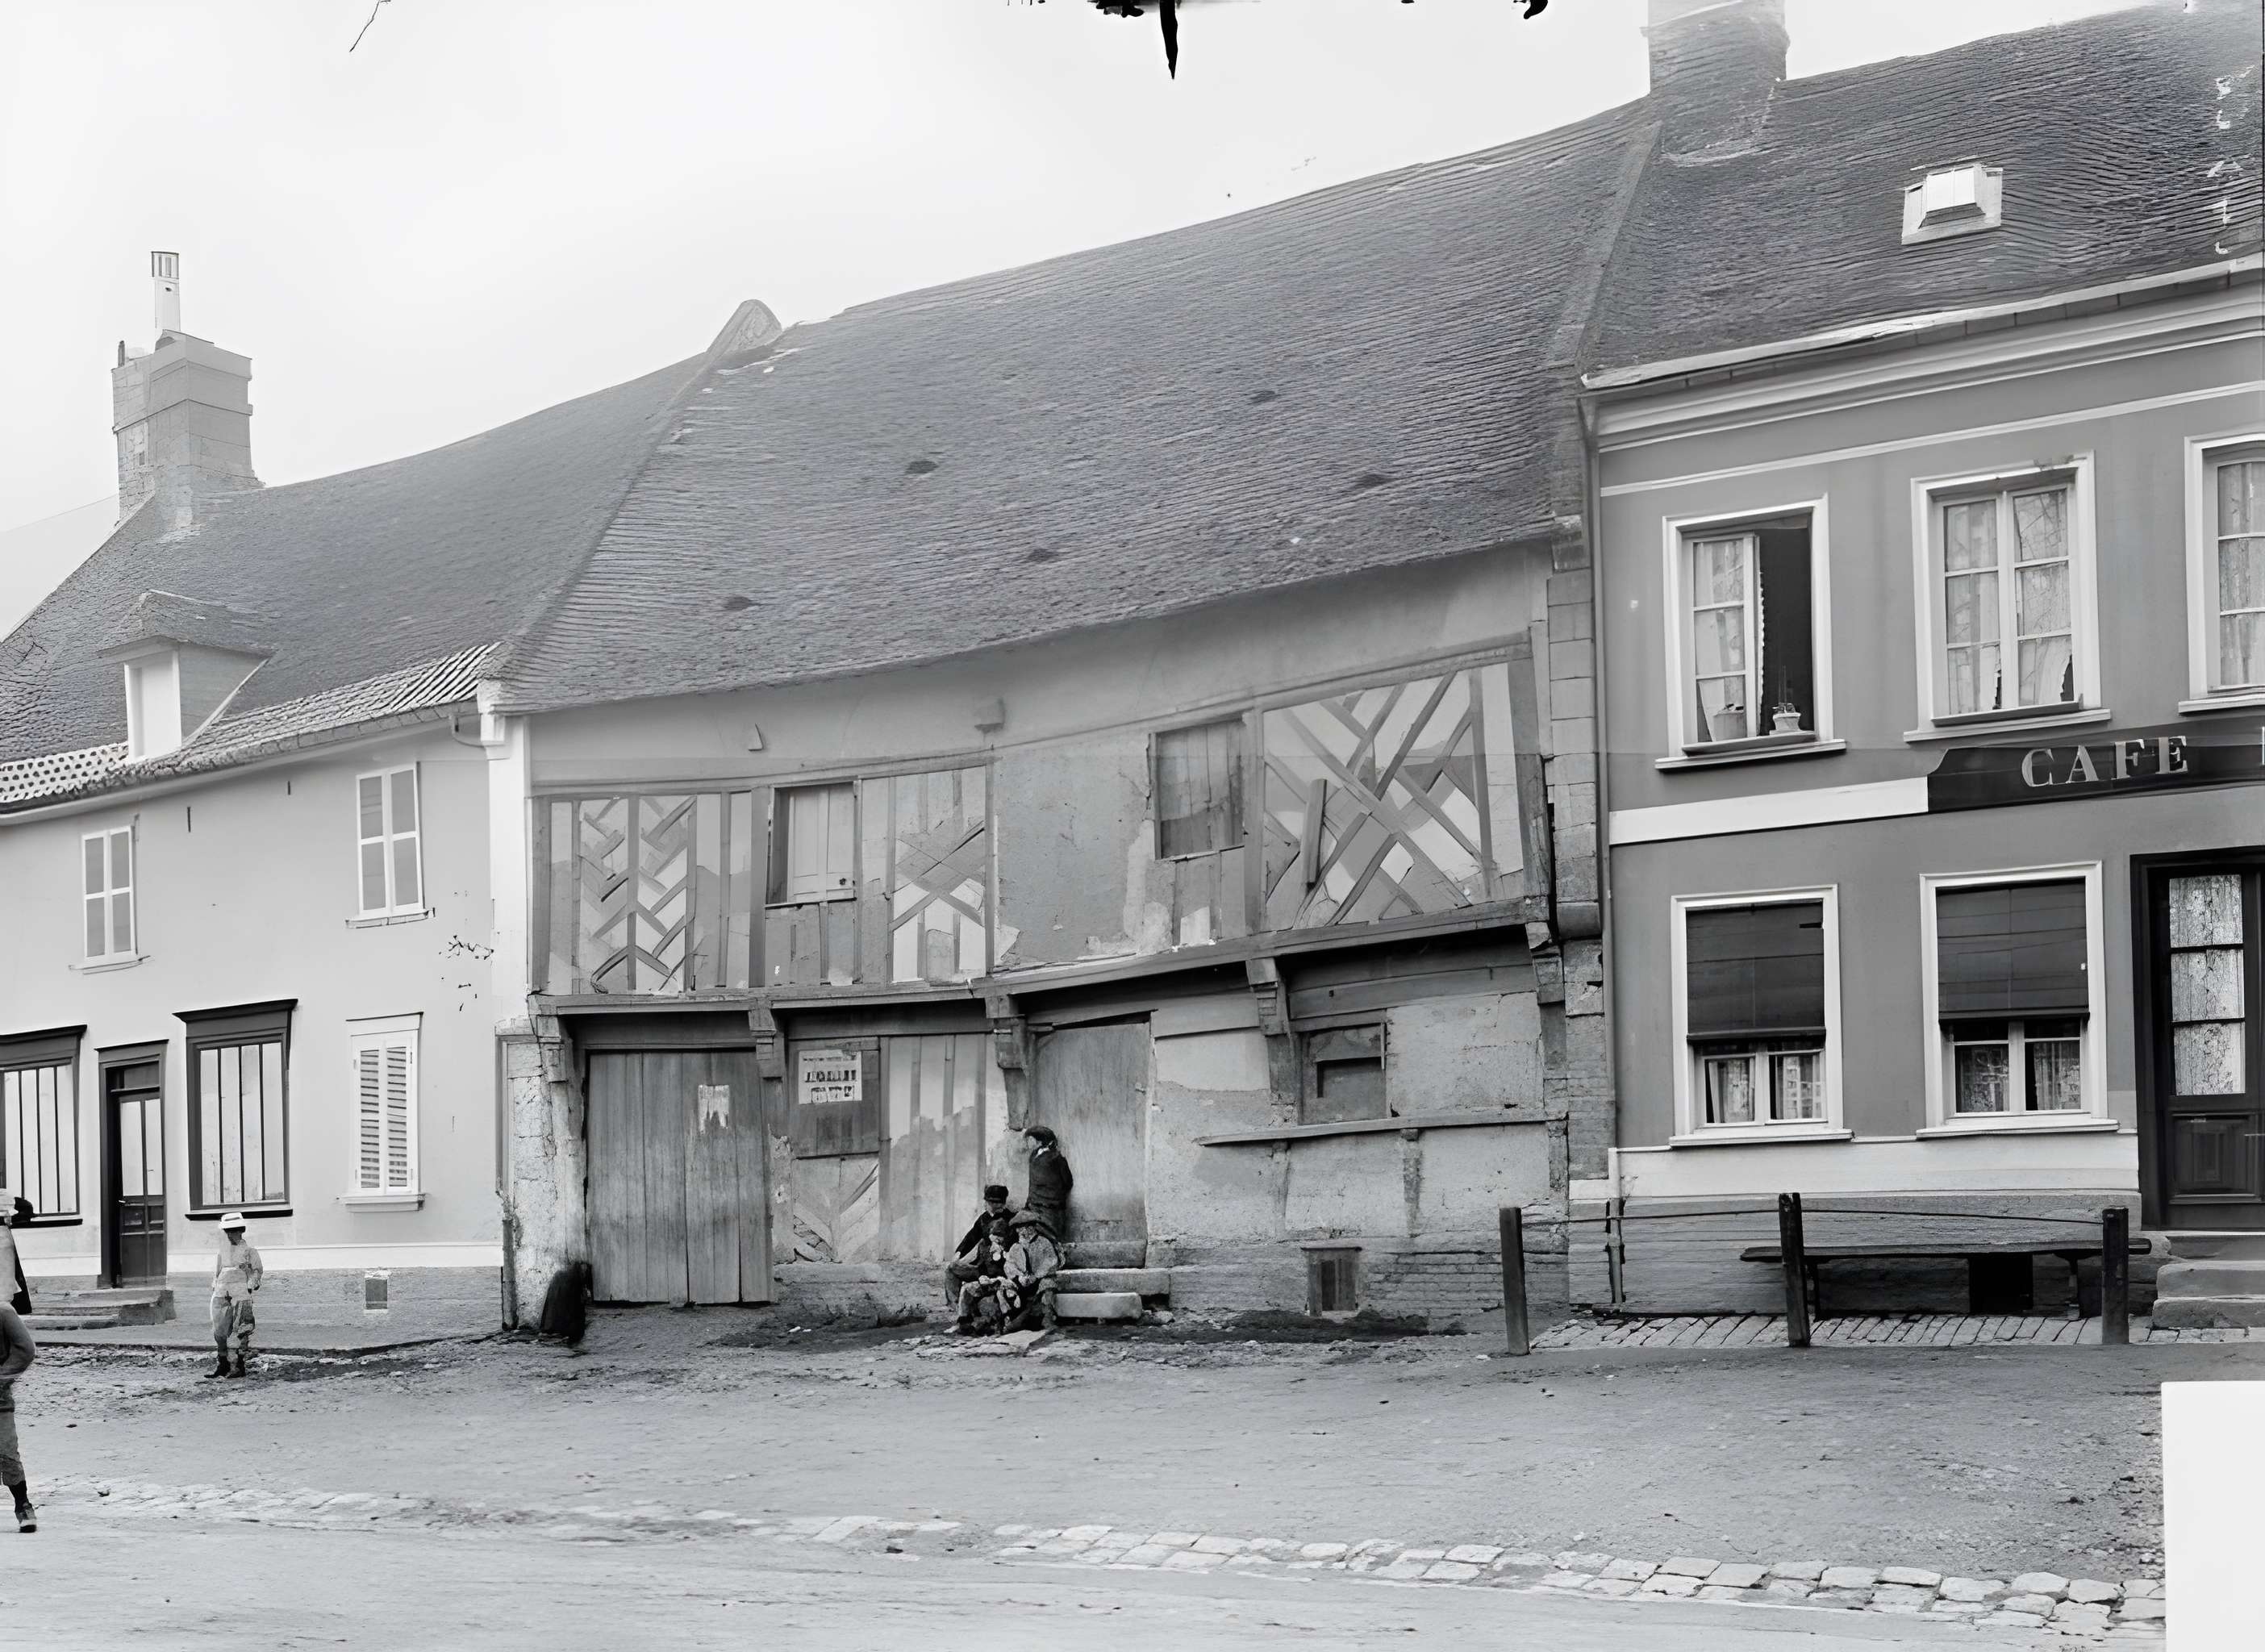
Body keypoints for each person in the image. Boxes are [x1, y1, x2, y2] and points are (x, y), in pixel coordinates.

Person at [208, 1212, 263, 1379]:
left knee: (240, 1329)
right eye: (227, 1231)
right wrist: (215, 1286)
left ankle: (238, 1366)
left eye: (232, 1231)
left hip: (240, 1293)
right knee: (219, 1329)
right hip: (221, 1292)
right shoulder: (222, 1252)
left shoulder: (250, 1251)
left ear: (240, 1231)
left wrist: (250, 1286)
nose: (229, 1235)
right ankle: (222, 1364)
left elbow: (256, 1272)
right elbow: (217, 1272)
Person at [944, 1184, 1015, 1307]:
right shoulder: (984, 1218)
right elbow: (971, 1238)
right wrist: (959, 1253)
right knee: (951, 1268)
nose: (992, 1205)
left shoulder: (1010, 1219)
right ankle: (954, 1305)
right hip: (982, 1268)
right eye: (990, 1202)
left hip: (1000, 1270)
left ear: (1001, 1203)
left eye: (997, 1203)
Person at [0, 1299, 35, 1532]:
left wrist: (1, 1379)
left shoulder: (3, 1311)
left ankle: (23, 1504)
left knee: (6, 1451)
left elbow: (26, 1350)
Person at [998, 1209, 1063, 1333]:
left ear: (1031, 1228)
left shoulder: (1044, 1243)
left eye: (1021, 1228)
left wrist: (1036, 1276)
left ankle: (1047, 1319)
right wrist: (1020, 1277)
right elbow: (1009, 1265)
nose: (1018, 1231)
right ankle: (1009, 1318)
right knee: (1005, 1287)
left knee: (1047, 1285)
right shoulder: (1016, 1247)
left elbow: (1051, 1262)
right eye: (1017, 1228)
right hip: (1023, 1284)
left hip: (1039, 1282)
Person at [1020, 1126, 1073, 1249]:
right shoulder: (1033, 1156)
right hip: (1034, 1206)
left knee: (1051, 1241)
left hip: (1051, 1209)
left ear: (1040, 1141)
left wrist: (1053, 1197)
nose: (1027, 1143)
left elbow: (1068, 1182)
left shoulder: (1056, 1158)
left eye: (1030, 1140)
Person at [0, 1187, 29, 1316]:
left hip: (2, 1238)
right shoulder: (5, 1197)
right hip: (4, 1236)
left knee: (6, 1274)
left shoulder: (4, 1196)